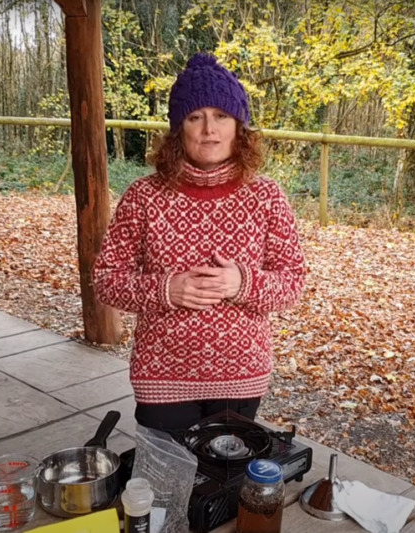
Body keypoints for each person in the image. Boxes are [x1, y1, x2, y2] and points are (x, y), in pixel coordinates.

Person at [92, 52, 306, 434]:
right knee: (167, 485)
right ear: (178, 130)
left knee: (223, 485)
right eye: (195, 117)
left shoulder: (266, 196)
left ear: (239, 126)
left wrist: (242, 284)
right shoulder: (144, 196)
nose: (210, 129)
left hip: (241, 374)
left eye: (221, 116)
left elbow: (292, 282)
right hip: (162, 377)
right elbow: (106, 279)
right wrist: (165, 289)